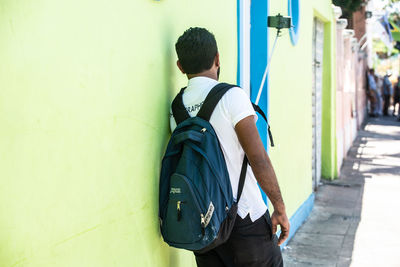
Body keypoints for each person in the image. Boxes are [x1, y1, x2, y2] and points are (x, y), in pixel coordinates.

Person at [171, 27, 289, 267]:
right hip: (245, 217)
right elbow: (258, 158)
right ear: (217, 59)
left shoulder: (176, 109)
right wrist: (279, 207)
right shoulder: (232, 97)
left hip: (203, 222)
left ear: (180, 67)